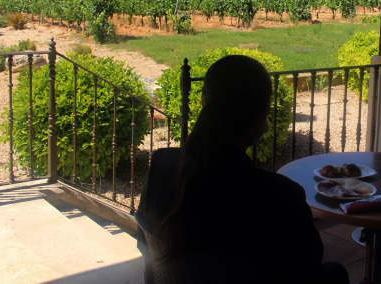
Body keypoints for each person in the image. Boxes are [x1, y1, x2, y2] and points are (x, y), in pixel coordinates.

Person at [137, 55, 348, 284]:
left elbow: (146, 250)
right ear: (262, 116)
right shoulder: (278, 197)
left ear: (203, 104)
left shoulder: (162, 167)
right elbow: (308, 272)